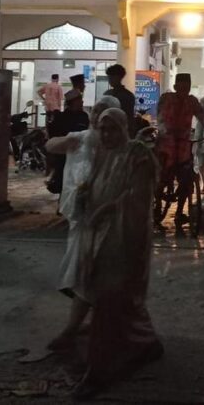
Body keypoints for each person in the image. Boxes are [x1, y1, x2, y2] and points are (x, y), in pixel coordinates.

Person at [76, 108, 161, 396]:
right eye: (102, 129)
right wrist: (85, 196)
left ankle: (99, 370)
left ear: (124, 128)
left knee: (109, 300)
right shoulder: (103, 154)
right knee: (122, 301)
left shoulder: (137, 154)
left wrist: (110, 209)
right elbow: (94, 185)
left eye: (112, 128)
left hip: (126, 237)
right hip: (101, 236)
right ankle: (146, 343)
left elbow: (140, 197)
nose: (107, 134)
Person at [44, 95, 121, 351]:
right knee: (85, 273)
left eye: (104, 113)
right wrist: (66, 141)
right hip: (82, 215)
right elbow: (51, 145)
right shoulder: (82, 138)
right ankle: (95, 320)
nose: (97, 116)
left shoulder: (120, 149)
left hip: (102, 220)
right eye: (96, 111)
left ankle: (72, 329)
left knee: (86, 273)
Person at [156, 73, 204, 228]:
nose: (185, 90)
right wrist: (164, 130)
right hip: (166, 145)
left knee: (187, 179)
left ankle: (179, 212)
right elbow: (160, 118)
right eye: (182, 87)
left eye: (187, 87)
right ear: (175, 87)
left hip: (184, 146)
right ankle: (157, 205)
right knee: (161, 177)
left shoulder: (192, 102)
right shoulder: (166, 99)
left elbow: (203, 118)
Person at [46, 89, 90, 195]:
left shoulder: (84, 116)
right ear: (72, 102)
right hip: (64, 157)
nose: (82, 102)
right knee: (64, 183)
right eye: (79, 100)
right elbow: (54, 138)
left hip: (81, 157)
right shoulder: (61, 117)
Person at [103, 64, 136, 130]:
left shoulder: (107, 94)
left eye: (111, 77)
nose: (109, 80)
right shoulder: (129, 95)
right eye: (109, 77)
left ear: (119, 77)